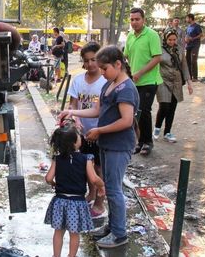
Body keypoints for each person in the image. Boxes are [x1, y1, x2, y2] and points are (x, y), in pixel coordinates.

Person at [58, 46, 139, 248]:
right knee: (111, 188)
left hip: (119, 146)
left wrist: (100, 131)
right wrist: (72, 112)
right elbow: (96, 110)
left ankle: (119, 234)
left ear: (118, 64)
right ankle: (112, 226)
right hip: (107, 144)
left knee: (113, 189)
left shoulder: (126, 88)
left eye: (104, 68)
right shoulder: (110, 85)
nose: (101, 72)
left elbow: (127, 121)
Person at [44, 123, 104, 257]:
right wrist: (101, 186)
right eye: (79, 136)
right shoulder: (86, 159)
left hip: (59, 201)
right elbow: (94, 179)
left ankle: (56, 255)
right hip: (77, 203)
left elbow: (48, 178)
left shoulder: (57, 159)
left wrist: (53, 183)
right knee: (74, 234)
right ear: (74, 143)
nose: (81, 138)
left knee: (58, 232)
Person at [67, 42, 107, 218]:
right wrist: (75, 119)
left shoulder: (106, 81)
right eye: (87, 61)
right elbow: (73, 104)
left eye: (94, 60)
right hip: (83, 133)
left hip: (101, 132)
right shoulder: (78, 80)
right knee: (86, 165)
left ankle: (100, 203)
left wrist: (101, 129)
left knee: (99, 168)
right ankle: (91, 194)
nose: (91, 64)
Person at [123, 7, 162, 156]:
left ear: (143, 20)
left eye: (137, 19)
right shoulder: (130, 36)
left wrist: (140, 72)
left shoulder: (152, 35)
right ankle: (139, 141)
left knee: (144, 110)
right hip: (134, 81)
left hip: (149, 80)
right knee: (134, 111)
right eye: (132, 19)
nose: (134, 22)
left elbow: (157, 57)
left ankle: (148, 142)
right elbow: (125, 55)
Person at [153, 30, 193, 143]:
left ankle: (167, 132)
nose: (172, 42)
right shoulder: (159, 50)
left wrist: (189, 83)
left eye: (174, 39)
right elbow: (154, 64)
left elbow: (184, 66)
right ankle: (157, 128)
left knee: (172, 108)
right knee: (164, 106)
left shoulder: (179, 50)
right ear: (165, 39)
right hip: (163, 80)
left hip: (176, 81)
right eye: (169, 39)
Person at [185, 13, 203, 81]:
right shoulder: (188, 27)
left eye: (187, 18)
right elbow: (187, 35)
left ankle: (195, 77)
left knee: (193, 61)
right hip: (188, 46)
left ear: (190, 18)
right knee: (188, 61)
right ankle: (189, 76)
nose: (186, 19)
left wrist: (193, 38)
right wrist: (186, 39)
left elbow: (201, 34)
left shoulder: (196, 26)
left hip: (195, 45)